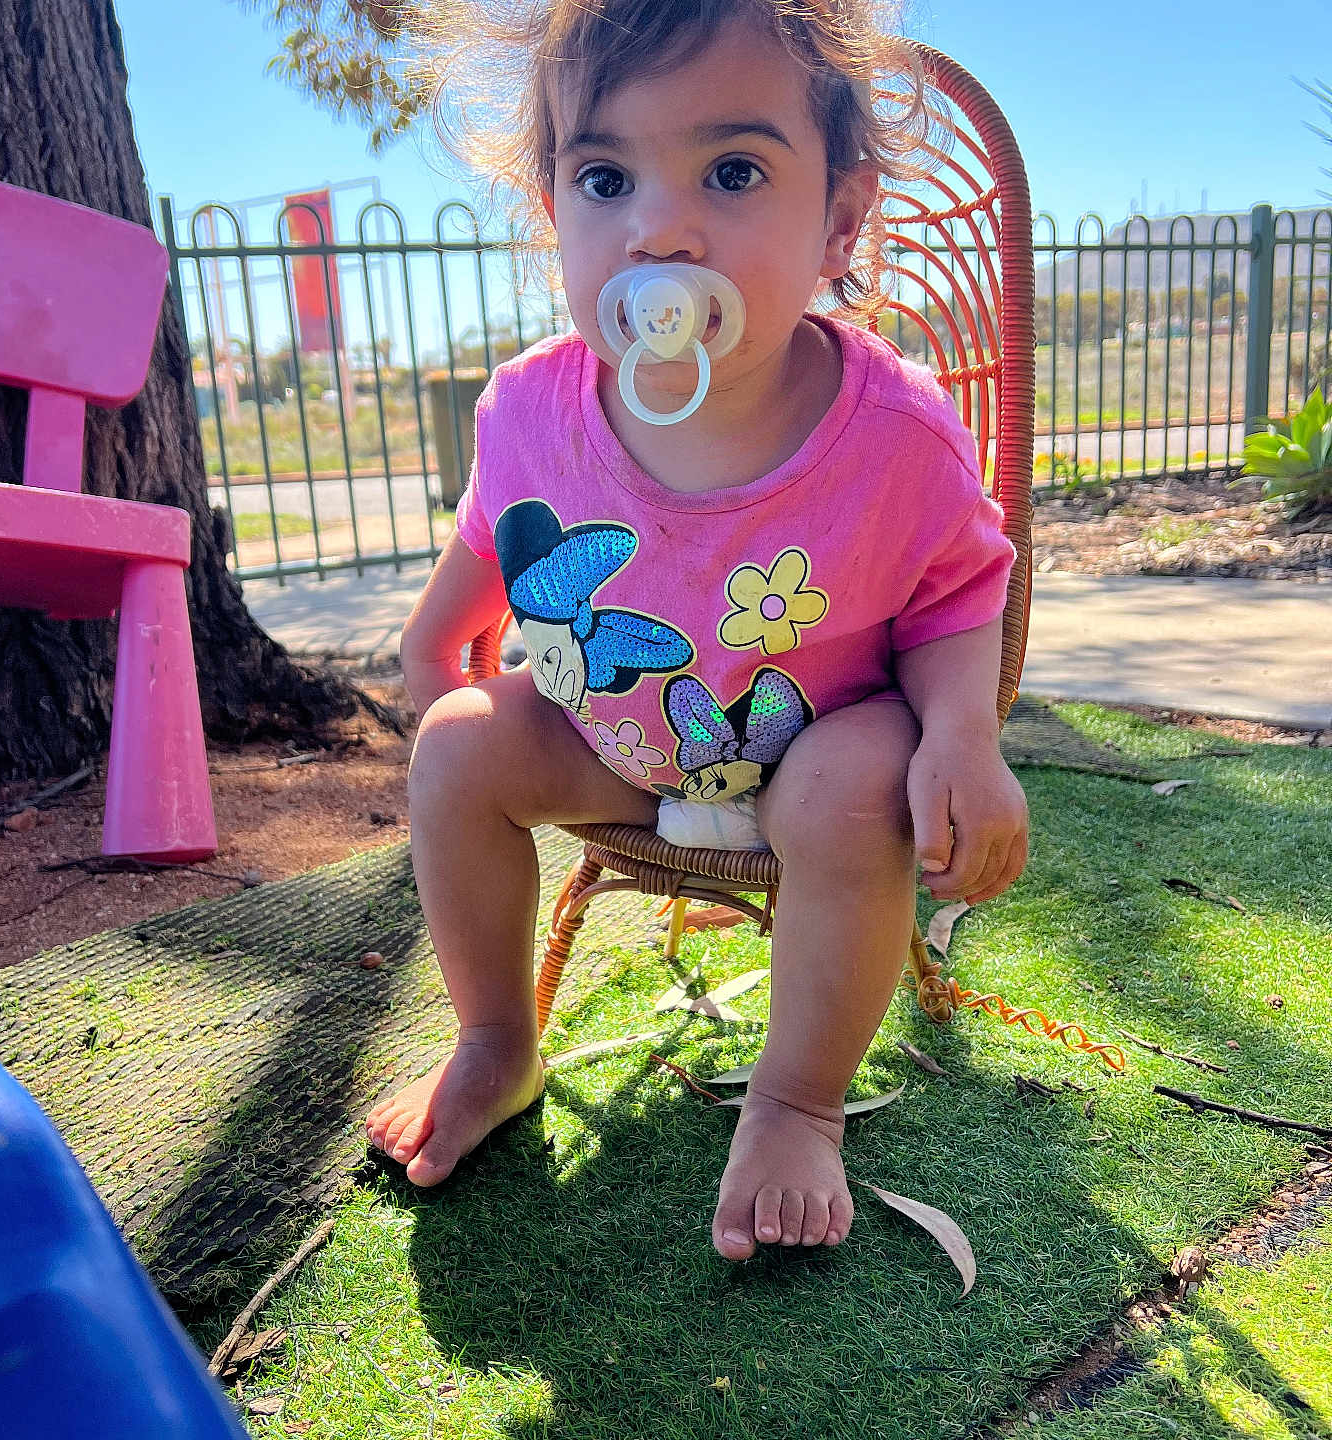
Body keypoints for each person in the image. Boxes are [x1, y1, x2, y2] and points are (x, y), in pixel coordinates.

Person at [367, 0, 1029, 1262]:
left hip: (813, 741)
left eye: (732, 172)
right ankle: (497, 1040)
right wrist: (437, 629)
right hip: (611, 734)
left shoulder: (895, 432)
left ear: (839, 221)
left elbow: (958, 585)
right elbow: (495, 524)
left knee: (846, 794)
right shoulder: (533, 402)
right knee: (457, 744)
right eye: (606, 176)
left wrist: (960, 729)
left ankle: (795, 1101)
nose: (658, 229)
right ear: (556, 214)